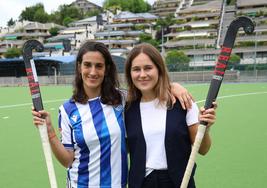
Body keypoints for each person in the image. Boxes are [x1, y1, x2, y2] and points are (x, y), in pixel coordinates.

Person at [32, 41, 193, 188]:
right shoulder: (67, 110)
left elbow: (148, 88)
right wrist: (51, 133)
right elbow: (67, 160)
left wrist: (173, 86)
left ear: (107, 69)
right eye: (87, 65)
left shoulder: (122, 100)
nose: (93, 72)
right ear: (79, 67)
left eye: (99, 66)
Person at [124, 43, 217, 188]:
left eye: (148, 68)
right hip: (142, 183)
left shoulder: (183, 102)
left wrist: (206, 128)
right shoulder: (126, 108)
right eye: (136, 69)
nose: (142, 74)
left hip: (179, 182)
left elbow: (203, 149)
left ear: (159, 69)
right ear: (130, 74)